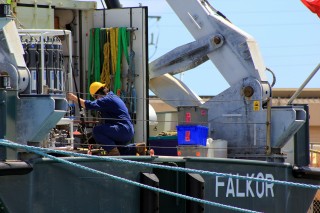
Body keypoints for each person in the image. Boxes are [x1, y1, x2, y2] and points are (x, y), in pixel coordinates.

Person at [67, 82, 134, 156]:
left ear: (98, 94)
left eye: (95, 97)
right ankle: (135, 148)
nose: (96, 99)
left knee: (97, 131)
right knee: (120, 150)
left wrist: (73, 97)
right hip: (127, 130)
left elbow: (89, 105)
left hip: (122, 130)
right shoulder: (113, 97)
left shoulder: (107, 99)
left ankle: (113, 153)